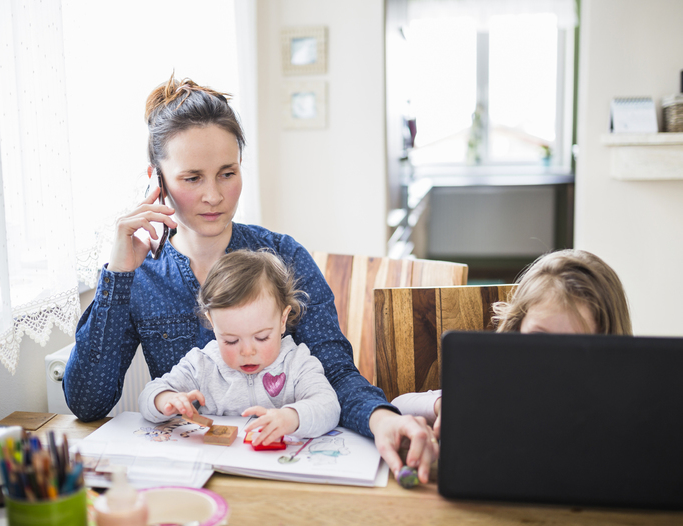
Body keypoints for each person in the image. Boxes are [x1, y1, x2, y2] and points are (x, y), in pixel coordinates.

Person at [63, 75, 435, 482]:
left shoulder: (283, 256)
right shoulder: (140, 275)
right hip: (190, 475)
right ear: (158, 180)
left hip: (283, 468)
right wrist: (117, 277)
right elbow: (87, 402)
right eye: (192, 178)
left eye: (227, 173)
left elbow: (334, 372)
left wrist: (381, 419)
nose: (214, 195)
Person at [391, 248, 633, 440]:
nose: (554, 360)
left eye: (577, 346)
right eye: (539, 338)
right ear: (517, 328)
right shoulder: (498, 385)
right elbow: (398, 406)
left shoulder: (622, 403)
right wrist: (443, 405)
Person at [138, 249, 340, 445]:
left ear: (282, 320)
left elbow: (329, 406)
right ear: (213, 323)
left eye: (261, 337)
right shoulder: (202, 364)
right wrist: (166, 400)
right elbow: (149, 394)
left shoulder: (297, 363)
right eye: (231, 341)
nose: (247, 352)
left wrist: (292, 417)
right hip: (219, 470)